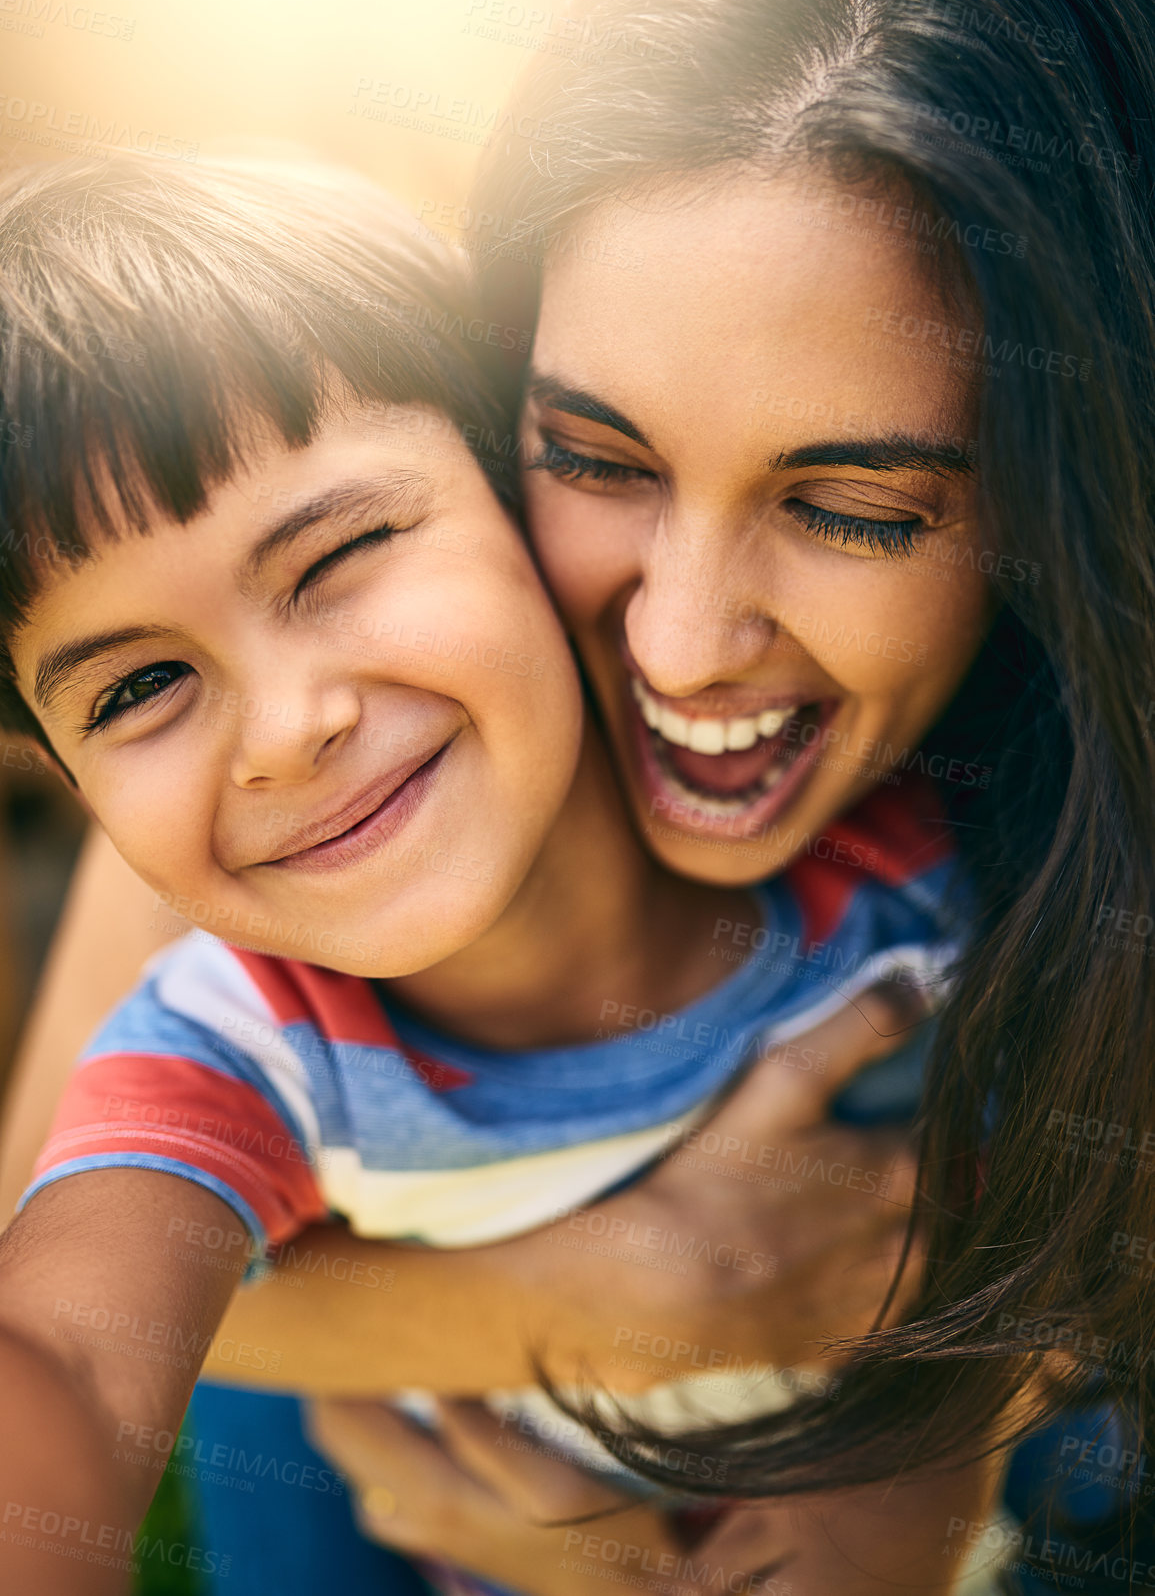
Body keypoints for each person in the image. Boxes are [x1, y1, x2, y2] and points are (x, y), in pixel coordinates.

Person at [224, 0, 1155, 1589]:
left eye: (856, 506)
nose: (678, 639)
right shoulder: (350, 683)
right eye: (594, 454)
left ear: (1067, 502)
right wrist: (599, 1297)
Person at [0, 154, 988, 1596]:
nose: (287, 731)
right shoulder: (228, 1059)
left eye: (339, 554)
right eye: (142, 685)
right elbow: (74, 1359)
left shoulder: (895, 852)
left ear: (523, 502)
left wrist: (921, 1473)